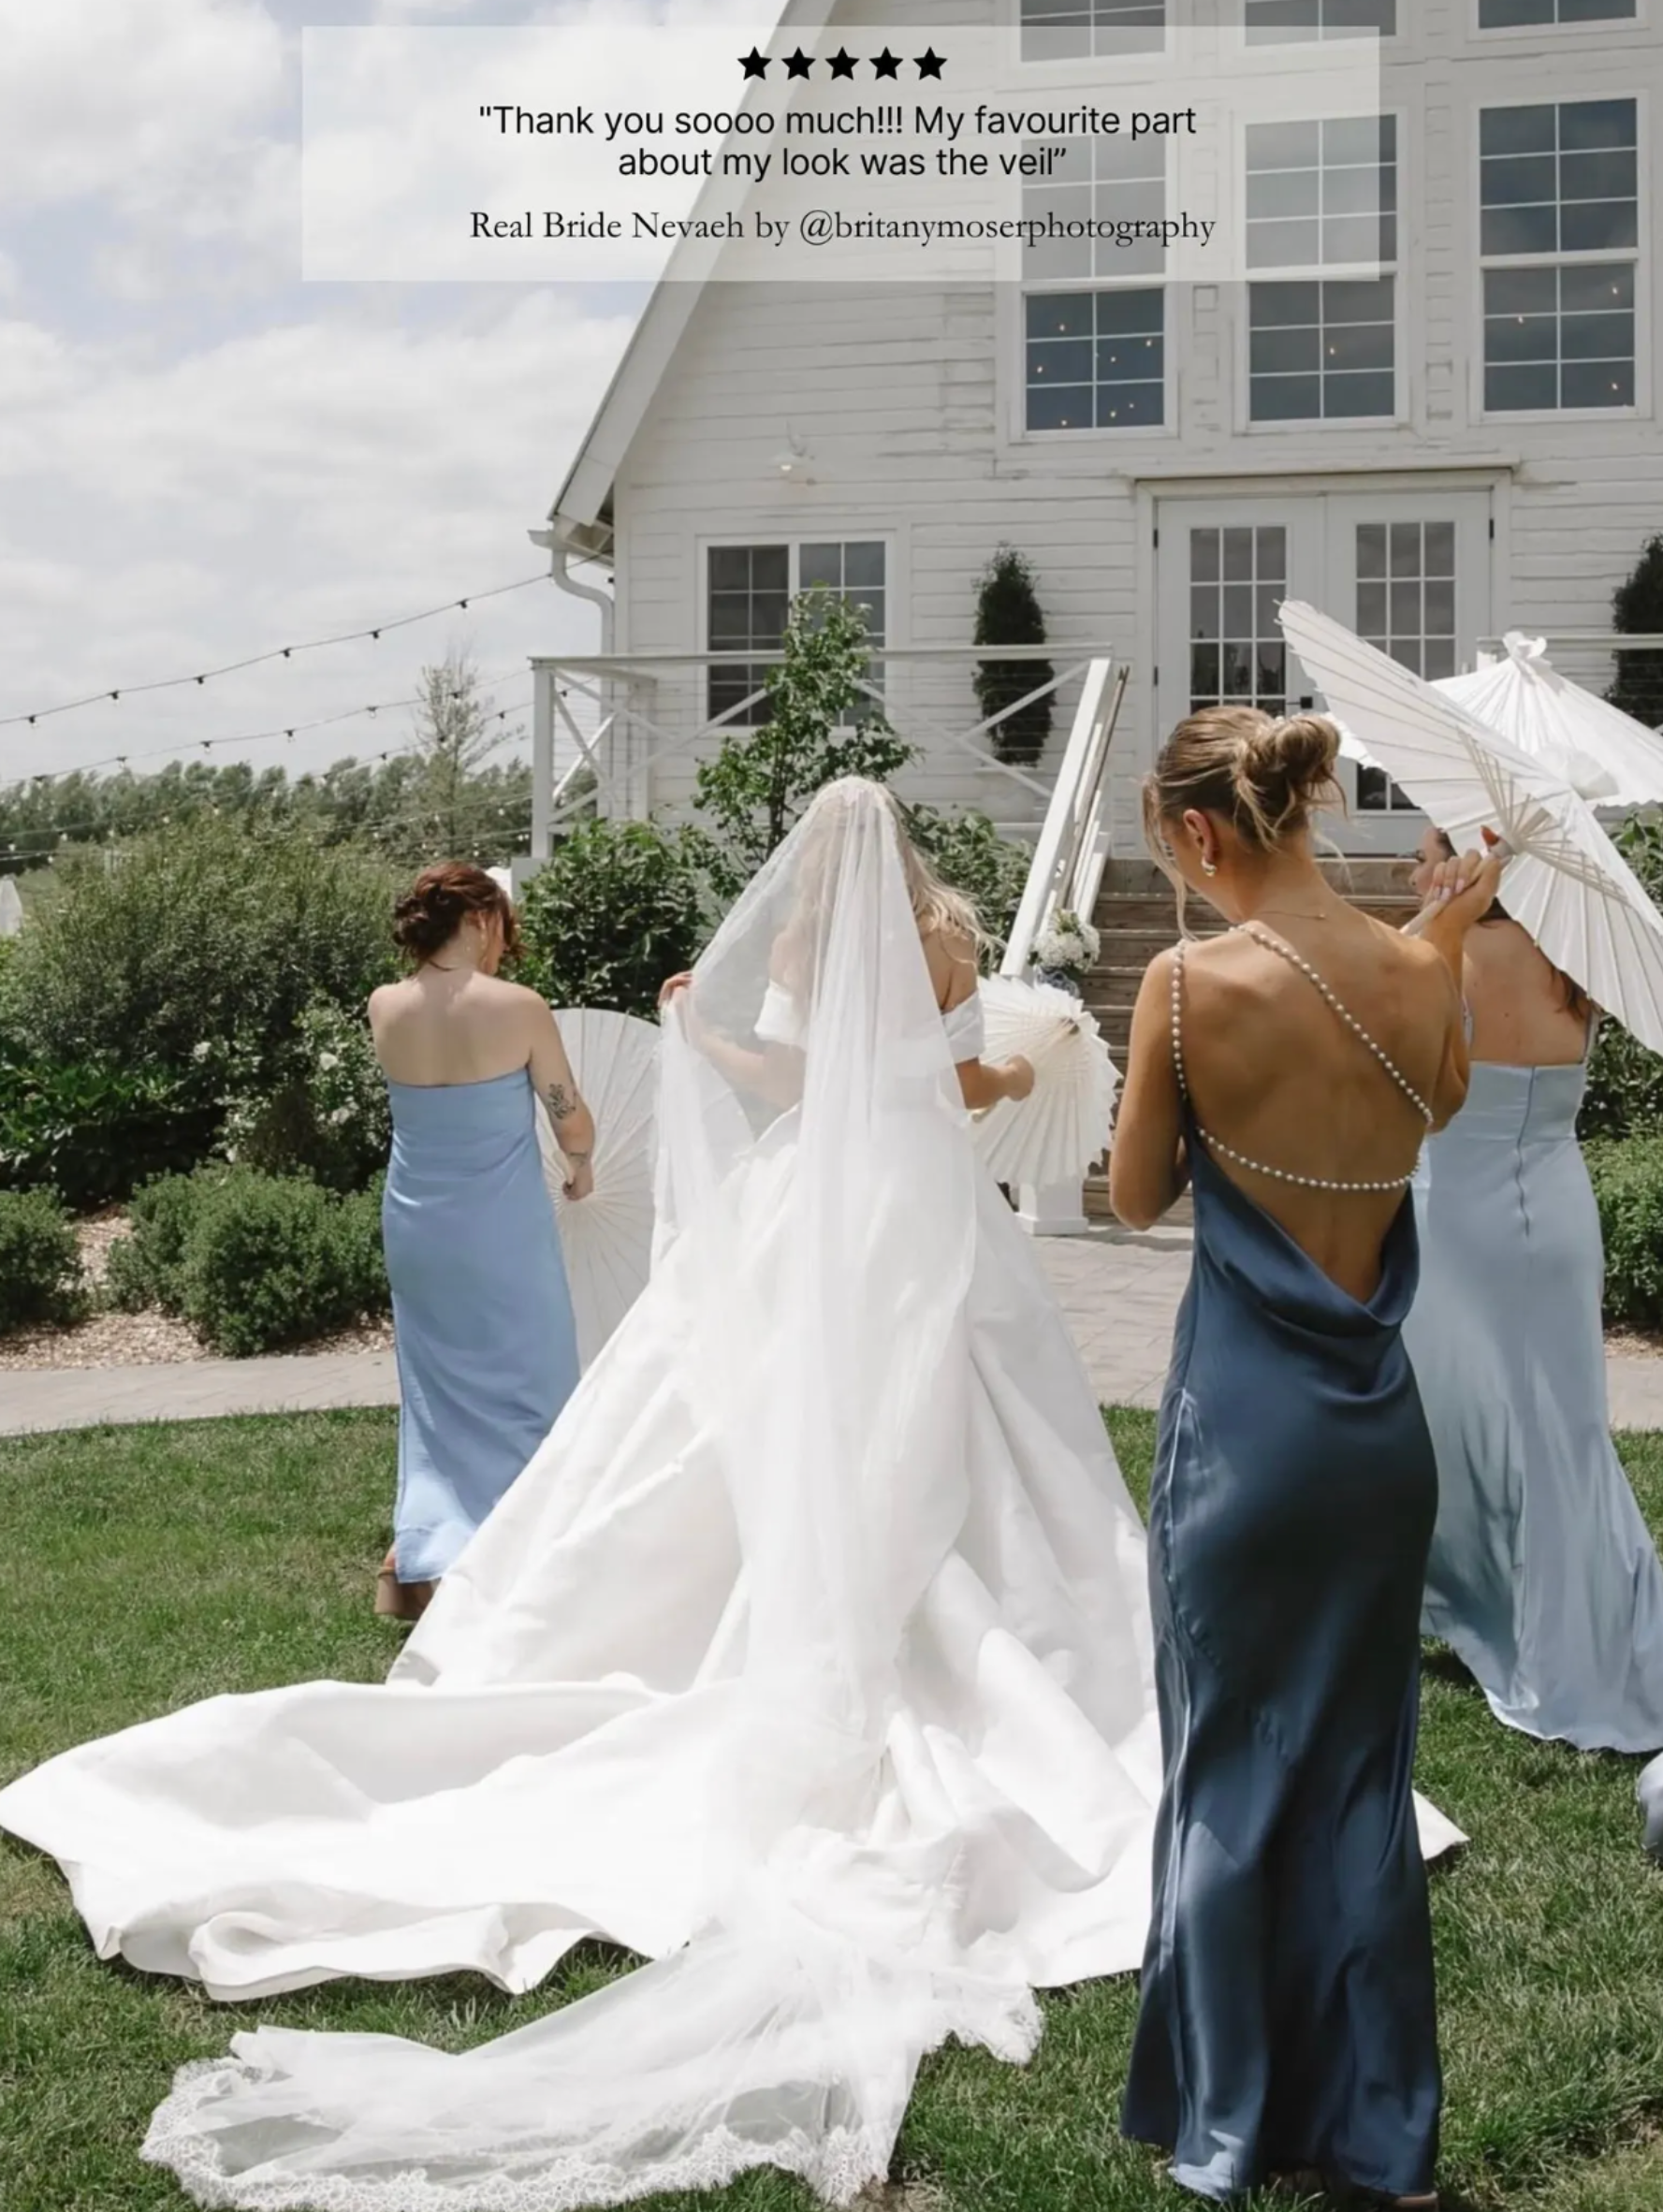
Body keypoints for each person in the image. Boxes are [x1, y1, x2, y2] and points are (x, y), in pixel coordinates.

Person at [0, 779, 1168, 2210]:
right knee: (958, 1413)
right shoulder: (949, 945)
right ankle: (969, 1609)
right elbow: (949, 1079)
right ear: (909, 845)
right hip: (925, 1204)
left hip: (816, 1196)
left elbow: (799, 1083)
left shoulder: (801, 946)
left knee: (740, 1416)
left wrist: (704, 1032)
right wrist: (1002, 1081)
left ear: (821, 850)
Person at [1108, 709, 1499, 2209]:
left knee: (1225, 1769)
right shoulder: (1415, 972)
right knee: (1356, 1778)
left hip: (1246, 1437)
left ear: (1204, 836)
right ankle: (1379, 2141)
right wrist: (1438, 937)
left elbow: (1138, 1198)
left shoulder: (1187, 981)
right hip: (1377, 1442)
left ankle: (1232, 2127)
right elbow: (1443, 1098)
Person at [1405, 826, 1663, 1753]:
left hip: (1459, 1218)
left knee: (1447, 1413)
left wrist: (1435, 917)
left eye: (1430, 847)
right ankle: (1551, 1616)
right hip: (1558, 1211)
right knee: (1561, 1431)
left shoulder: (1445, 952)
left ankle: (1527, 1631)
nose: (1417, 863)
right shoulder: (1577, 957)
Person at [369, 861, 593, 1618]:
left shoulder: (384, 1005)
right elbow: (569, 1117)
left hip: (417, 1225)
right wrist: (584, 1162)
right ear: (482, 918)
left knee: (437, 1397)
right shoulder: (519, 1007)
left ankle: (426, 1557)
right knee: (533, 1380)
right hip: (499, 1227)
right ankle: (527, 1554)